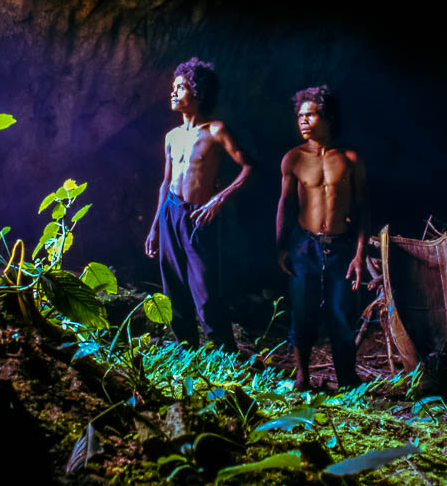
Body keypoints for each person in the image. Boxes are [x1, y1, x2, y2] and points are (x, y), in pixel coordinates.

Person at [145, 58, 253, 350]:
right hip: (171, 211)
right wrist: (155, 227)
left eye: (181, 87)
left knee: (204, 290)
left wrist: (219, 198)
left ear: (199, 93)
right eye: (173, 87)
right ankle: (186, 351)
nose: (174, 92)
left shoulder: (215, 130)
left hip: (198, 217)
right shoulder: (172, 137)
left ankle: (224, 355)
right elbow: (166, 183)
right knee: (172, 287)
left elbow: (248, 168)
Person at [276, 85, 369, 391]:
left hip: (341, 246)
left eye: (310, 115)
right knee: (303, 314)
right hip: (304, 245)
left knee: (342, 316)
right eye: (300, 116)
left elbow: (362, 209)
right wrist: (281, 247)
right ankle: (302, 378)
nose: (303, 121)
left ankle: (347, 380)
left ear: (327, 117)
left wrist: (359, 255)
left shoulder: (351, 159)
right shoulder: (293, 158)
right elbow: (285, 205)